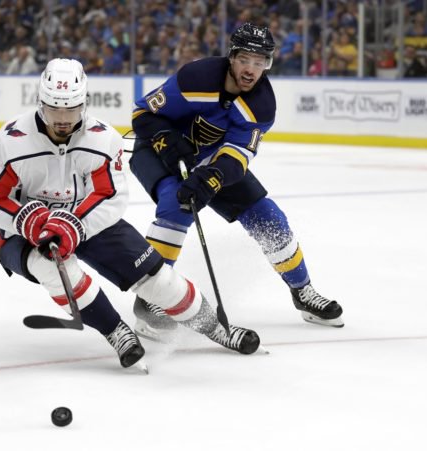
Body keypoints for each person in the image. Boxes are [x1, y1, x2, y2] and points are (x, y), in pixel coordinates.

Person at [0, 58, 261, 370]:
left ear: (84, 104)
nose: (61, 119)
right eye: (54, 109)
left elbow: (110, 197)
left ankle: (217, 328)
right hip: (28, 233)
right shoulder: (13, 139)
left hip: (87, 220)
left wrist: (74, 224)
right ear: (40, 103)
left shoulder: (102, 138)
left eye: (70, 110)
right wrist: (26, 219)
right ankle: (116, 332)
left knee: (160, 283)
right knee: (54, 267)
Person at [128, 23, 345, 341]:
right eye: (246, 59)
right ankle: (150, 302)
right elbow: (142, 114)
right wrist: (166, 138)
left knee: (268, 217)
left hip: (210, 159)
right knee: (177, 206)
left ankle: (303, 290)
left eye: (261, 62)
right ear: (232, 57)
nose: (252, 70)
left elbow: (236, 157)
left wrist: (211, 178)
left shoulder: (261, 105)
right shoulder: (196, 77)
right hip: (157, 151)